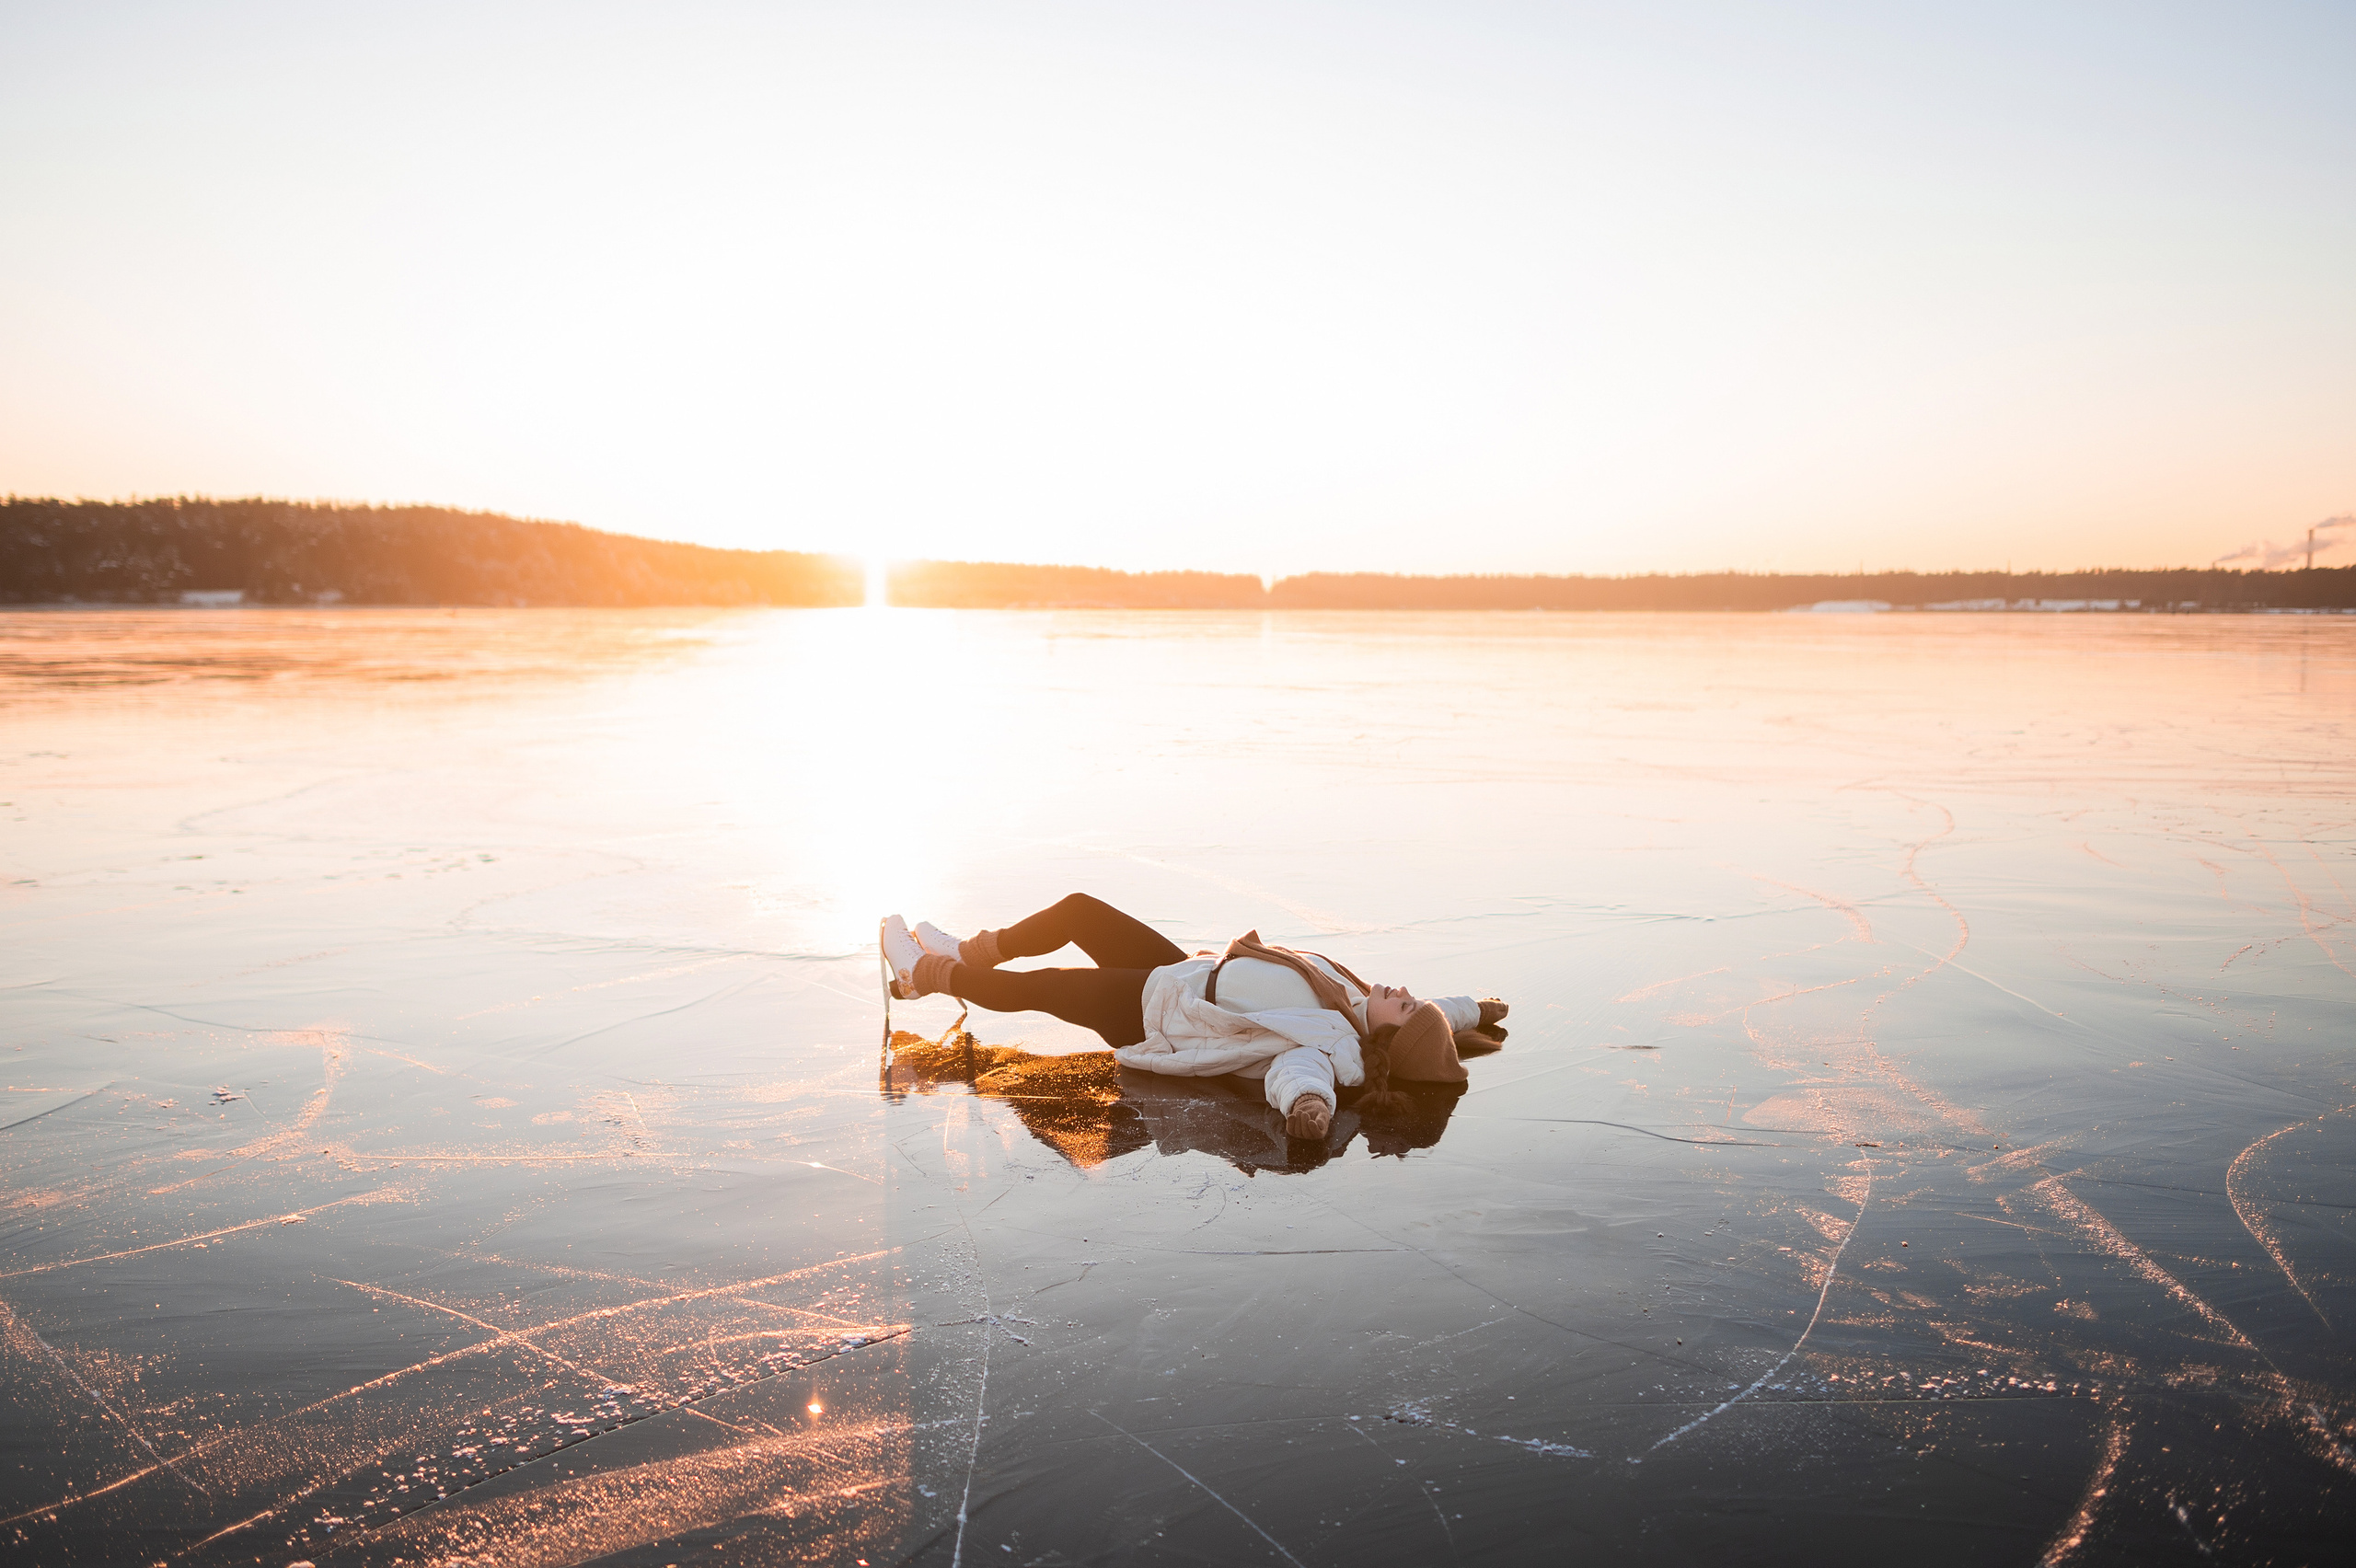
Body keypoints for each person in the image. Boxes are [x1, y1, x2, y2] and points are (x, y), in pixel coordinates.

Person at [879, 894, 1507, 1140]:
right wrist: (1474, 1007)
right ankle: (962, 952)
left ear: (1389, 1031)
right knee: (1080, 911)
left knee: (1039, 988)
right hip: (1184, 976)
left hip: (1156, 1015)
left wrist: (1309, 1108)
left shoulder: (1330, 1043)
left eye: (1404, 1001)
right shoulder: (1356, 996)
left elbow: (1300, 1073)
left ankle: (921, 975)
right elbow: (1436, 1021)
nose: (1399, 988)